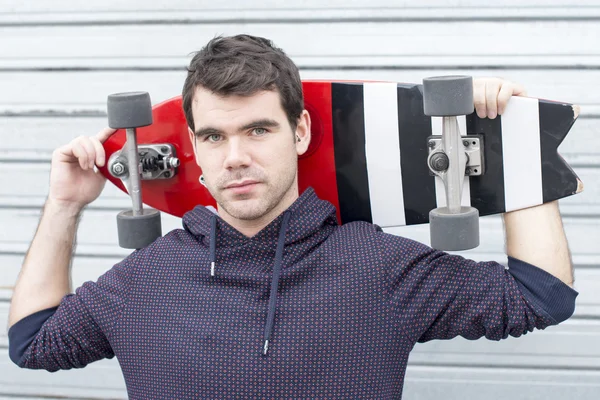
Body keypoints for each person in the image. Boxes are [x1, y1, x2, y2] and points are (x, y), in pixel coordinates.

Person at [7, 34, 577, 399]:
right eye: (214, 135)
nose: (236, 157)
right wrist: (63, 204)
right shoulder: (143, 281)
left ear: (300, 131)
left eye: (258, 129)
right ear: (194, 147)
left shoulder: (375, 265)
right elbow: (32, 342)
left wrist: (512, 147)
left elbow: (540, 296)